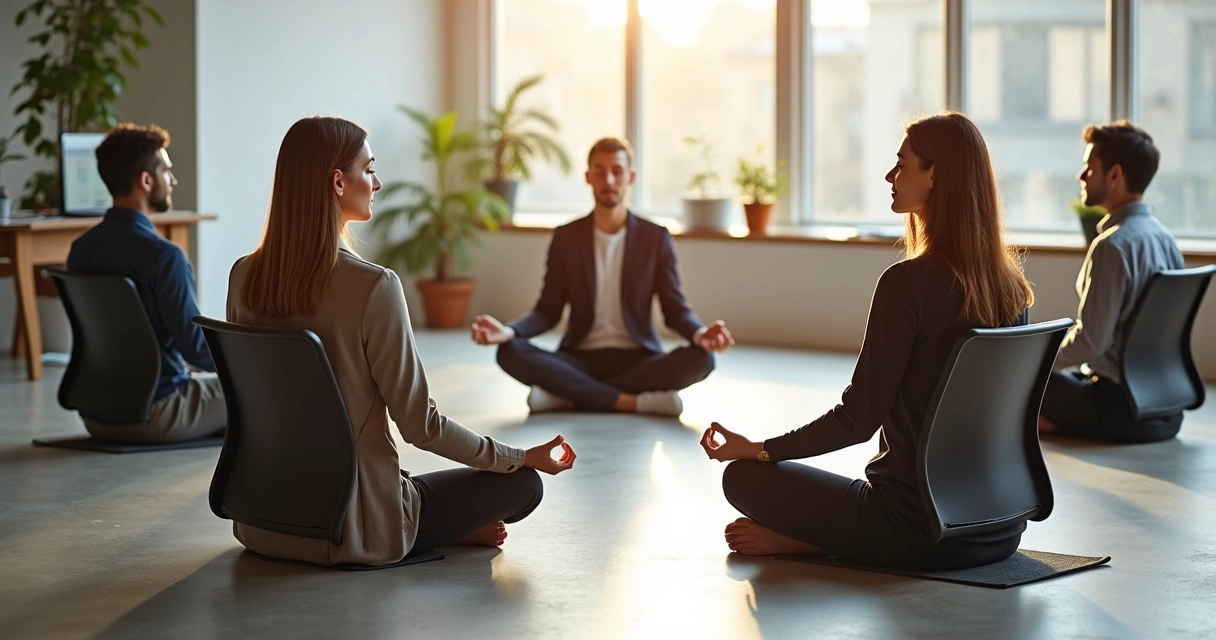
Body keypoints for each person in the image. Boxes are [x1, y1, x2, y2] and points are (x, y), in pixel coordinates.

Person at [226, 116, 576, 567]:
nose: (377, 182)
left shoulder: (243, 277)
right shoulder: (374, 287)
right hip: (351, 529)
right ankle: (442, 529)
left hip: (264, 523)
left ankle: (444, 523)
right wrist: (519, 456)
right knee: (524, 484)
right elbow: (421, 426)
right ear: (338, 181)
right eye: (369, 170)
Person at [700, 112, 1034, 570]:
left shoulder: (907, 284)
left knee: (743, 479)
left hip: (915, 528)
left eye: (902, 164)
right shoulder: (1012, 289)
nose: (889, 176)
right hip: (997, 531)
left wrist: (758, 448)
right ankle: (832, 541)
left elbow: (857, 420)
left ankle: (818, 542)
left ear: (934, 174)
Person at [471, 137, 733, 417]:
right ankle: (633, 402)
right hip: (579, 358)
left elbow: (674, 309)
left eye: (617, 171)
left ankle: (569, 396)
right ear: (588, 177)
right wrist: (509, 331)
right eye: (599, 170)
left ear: (630, 177)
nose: (608, 179)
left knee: (703, 358)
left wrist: (700, 333)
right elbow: (547, 311)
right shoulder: (566, 237)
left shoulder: (655, 238)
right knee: (509, 351)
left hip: (638, 359)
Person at [66, 123, 225, 443]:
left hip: (96, 417)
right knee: (268, 390)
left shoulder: (81, 249)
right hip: (156, 413)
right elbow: (196, 349)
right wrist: (254, 359)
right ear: (146, 180)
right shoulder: (165, 257)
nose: (173, 180)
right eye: (168, 171)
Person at [1038, 121, 1185, 443]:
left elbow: (1092, 342)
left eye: (1089, 167)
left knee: (1013, 381)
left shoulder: (1113, 246)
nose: (1081, 176)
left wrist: (1036, 361)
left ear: (1114, 175)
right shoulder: (1164, 238)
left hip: (1116, 409)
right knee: (1060, 376)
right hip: (1164, 412)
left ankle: (1041, 420)